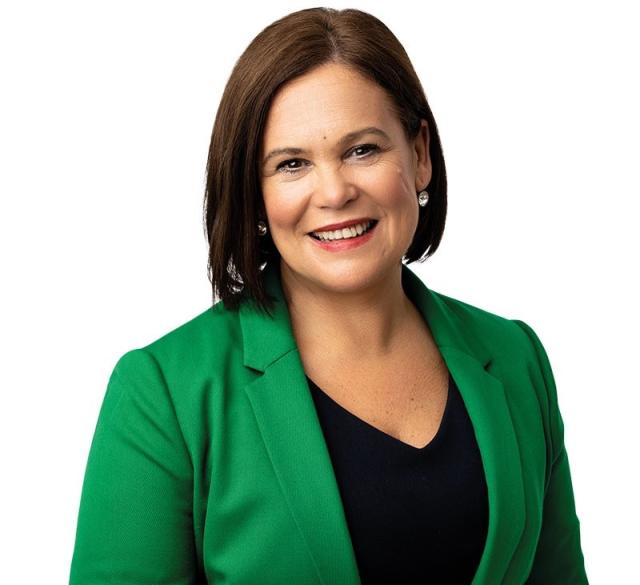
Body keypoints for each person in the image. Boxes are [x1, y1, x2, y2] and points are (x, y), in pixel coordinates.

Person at [69, 7, 589, 585]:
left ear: (419, 155)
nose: (336, 191)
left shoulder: (516, 357)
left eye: (362, 150)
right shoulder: (164, 393)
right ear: (253, 193)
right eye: (291, 164)